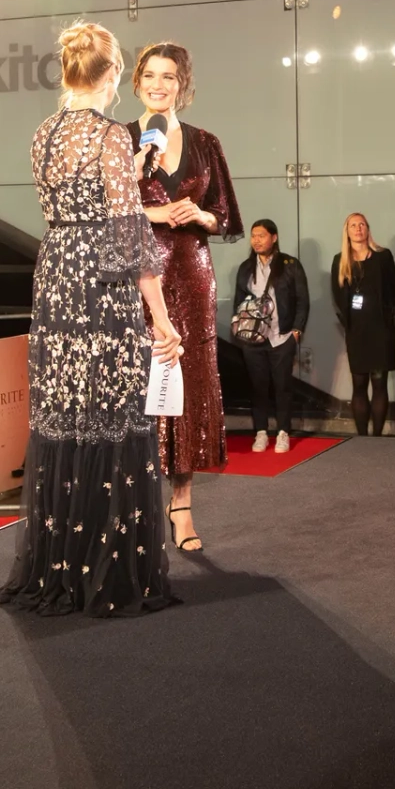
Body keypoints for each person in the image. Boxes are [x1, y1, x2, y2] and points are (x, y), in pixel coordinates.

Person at [0, 21, 181, 616]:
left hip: (56, 279)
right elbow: (130, 237)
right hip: (102, 288)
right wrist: (161, 317)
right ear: (113, 75)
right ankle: (112, 571)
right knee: (113, 415)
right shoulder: (108, 137)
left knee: (68, 417)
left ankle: (60, 568)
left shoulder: (43, 133)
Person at [124, 42, 240, 552]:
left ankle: (183, 507)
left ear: (182, 84)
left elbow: (228, 216)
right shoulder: (120, 139)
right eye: (150, 75)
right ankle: (133, 502)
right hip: (135, 276)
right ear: (136, 82)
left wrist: (199, 216)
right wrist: (152, 212)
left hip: (191, 275)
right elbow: (104, 208)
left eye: (169, 76)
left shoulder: (206, 142)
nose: (159, 84)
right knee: (135, 387)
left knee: (186, 387)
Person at [230, 219, 308, 453]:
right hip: (252, 339)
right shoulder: (245, 267)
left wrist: (296, 331)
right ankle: (261, 432)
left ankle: (283, 432)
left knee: (282, 386)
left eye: (261, 235)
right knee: (258, 387)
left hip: (281, 336)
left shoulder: (290, 265)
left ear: (274, 238)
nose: (256, 240)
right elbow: (238, 302)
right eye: (253, 236)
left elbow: (302, 301)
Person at [331, 212, 395, 437]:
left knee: (380, 384)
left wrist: (389, 322)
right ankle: (362, 437)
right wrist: (350, 324)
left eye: (362, 224)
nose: (358, 228)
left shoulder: (383, 257)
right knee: (359, 385)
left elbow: (393, 290)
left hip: (381, 330)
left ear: (368, 229)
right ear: (346, 231)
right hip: (357, 332)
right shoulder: (340, 260)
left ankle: (377, 437)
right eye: (353, 225)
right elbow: (338, 297)